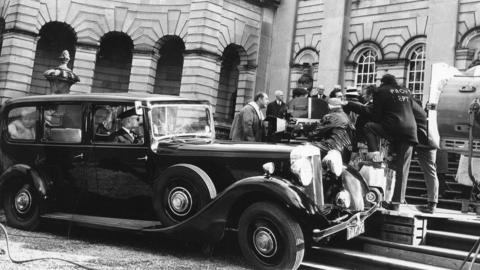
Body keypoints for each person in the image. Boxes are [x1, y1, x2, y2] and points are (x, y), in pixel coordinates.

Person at [363, 74, 418, 209]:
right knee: (402, 169)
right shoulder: (406, 91)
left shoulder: (380, 91)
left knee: (369, 127)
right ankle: (396, 203)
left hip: (392, 129)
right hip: (410, 131)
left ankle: (374, 154)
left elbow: (376, 117)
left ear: (382, 82)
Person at [411, 99, 440, 213]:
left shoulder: (419, 116)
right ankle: (432, 202)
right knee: (430, 171)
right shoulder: (425, 115)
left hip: (426, 144)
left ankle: (432, 203)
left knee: (430, 172)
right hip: (428, 143)